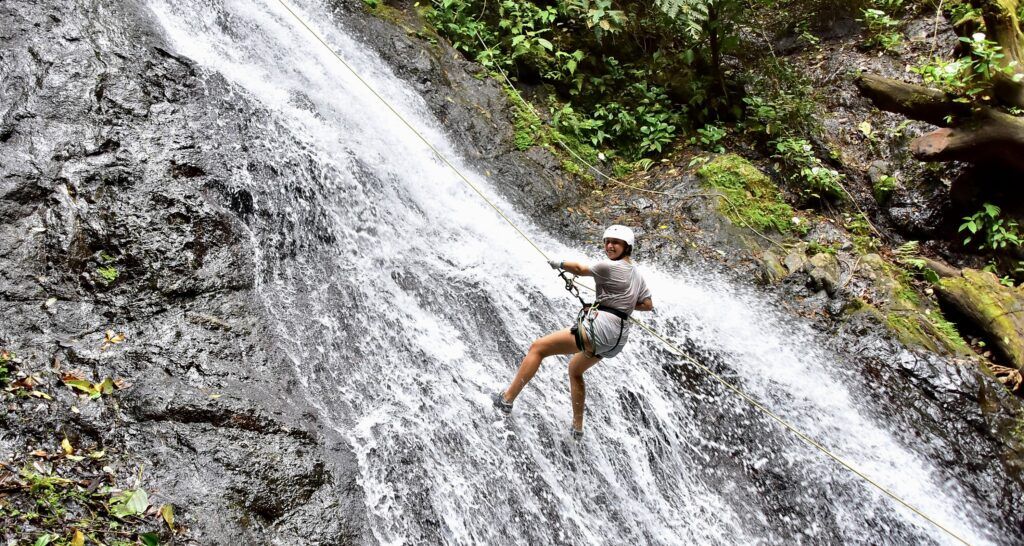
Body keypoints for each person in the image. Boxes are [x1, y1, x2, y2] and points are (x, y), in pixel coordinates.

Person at [492, 225, 654, 439]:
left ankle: (506, 399)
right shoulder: (637, 275)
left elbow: (578, 269)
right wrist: (617, 305)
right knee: (575, 369)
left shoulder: (610, 267)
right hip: (617, 339)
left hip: (602, 330)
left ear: (627, 247)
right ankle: (577, 427)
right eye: (607, 241)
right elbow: (647, 304)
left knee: (538, 348)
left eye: (616, 242)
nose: (609, 246)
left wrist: (558, 264)